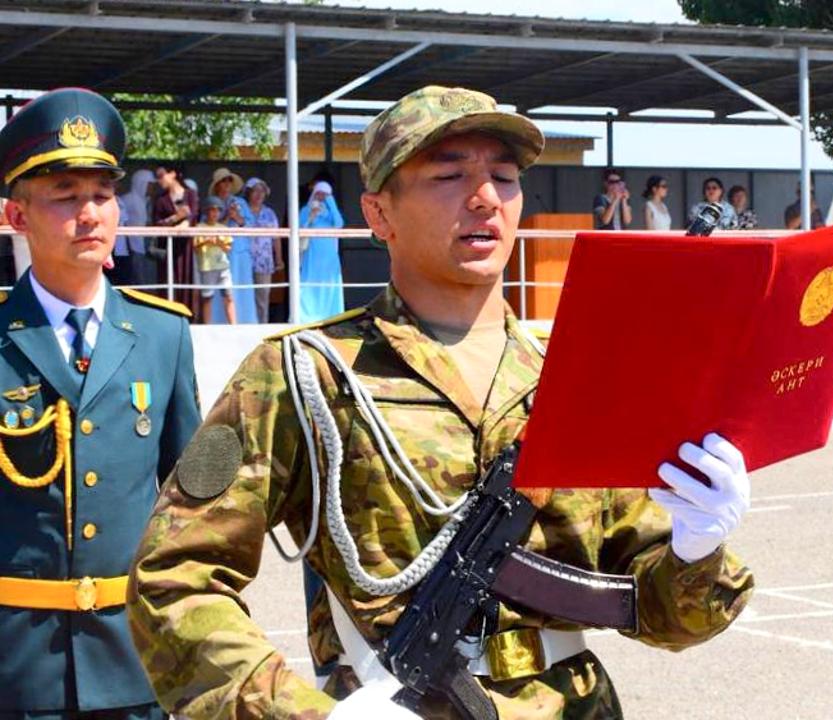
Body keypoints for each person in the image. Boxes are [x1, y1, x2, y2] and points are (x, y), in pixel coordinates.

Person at [128, 85, 754, 719]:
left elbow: (665, 614)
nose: (485, 198)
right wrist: (303, 714)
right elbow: (174, 579)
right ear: (379, 214)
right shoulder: (304, 373)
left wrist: (695, 549)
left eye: (504, 177)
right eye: (450, 176)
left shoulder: (576, 379)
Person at [0, 87, 201, 720]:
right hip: (16, 673)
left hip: (136, 664)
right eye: (64, 196)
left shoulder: (164, 334)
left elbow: (191, 503)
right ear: (17, 216)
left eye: (102, 194)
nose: (89, 214)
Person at [209, 168, 257, 324]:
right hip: (218, 252)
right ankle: (219, 322)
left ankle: (245, 321)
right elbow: (208, 227)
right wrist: (226, 217)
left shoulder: (240, 203)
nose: (227, 184)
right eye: (224, 181)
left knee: (241, 287)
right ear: (217, 184)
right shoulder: (211, 204)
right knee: (220, 289)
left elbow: (251, 226)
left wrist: (237, 217)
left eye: (229, 180)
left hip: (239, 251)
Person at [298, 180, 345, 322]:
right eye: (319, 193)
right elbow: (300, 228)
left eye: (326, 194)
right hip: (312, 253)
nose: (321, 196)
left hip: (329, 255)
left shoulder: (331, 212)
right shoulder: (306, 210)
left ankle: (330, 314)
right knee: (310, 281)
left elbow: (339, 224)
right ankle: (307, 315)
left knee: (329, 283)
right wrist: (311, 216)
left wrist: (331, 202)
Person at [152, 164, 197, 310]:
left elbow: (194, 215)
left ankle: (186, 314)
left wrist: (186, 223)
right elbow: (156, 223)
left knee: (186, 280)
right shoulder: (160, 199)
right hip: (167, 248)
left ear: (172, 174)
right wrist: (175, 218)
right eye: (157, 177)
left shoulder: (190, 194)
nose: (159, 180)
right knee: (167, 280)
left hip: (186, 248)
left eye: (161, 175)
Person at [243, 177, 282, 323]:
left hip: (264, 262)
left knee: (262, 297)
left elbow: (276, 237)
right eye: (255, 191)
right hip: (244, 260)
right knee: (244, 295)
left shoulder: (270, 213)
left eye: (262, 191)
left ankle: (261, 326)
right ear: (248, 193)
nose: (259, 194)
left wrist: (279, 259)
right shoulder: (242, 210)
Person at [193, 196, 236, 325]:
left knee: (228, 296)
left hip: (223, 266)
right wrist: (206, 240)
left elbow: (228, 248)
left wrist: (218, 242)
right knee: (207, 297)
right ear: (206, 211)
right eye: (212, 210)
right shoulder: (199, 227)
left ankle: (234, 325)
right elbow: (195, 247)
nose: (215, 213)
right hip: (207, 267)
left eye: (218, 210)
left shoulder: (223, 228)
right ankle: (208, 325)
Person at [109, 169, 153, 288]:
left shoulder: (123, 201)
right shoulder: (127, 200)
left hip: (126, 247)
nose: (119, 185)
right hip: (118, 247)